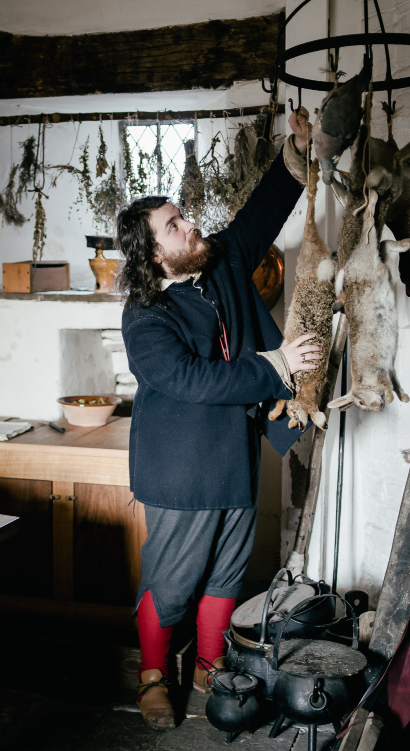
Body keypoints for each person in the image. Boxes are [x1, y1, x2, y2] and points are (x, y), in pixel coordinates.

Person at [115, 108, 321, 729]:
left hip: (234, 454)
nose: (191, 224)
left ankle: (208, 666)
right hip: (180, 470)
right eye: (175, 225)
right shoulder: (144, 316)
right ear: (153, 254)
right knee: (172, 578)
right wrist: (276, 366)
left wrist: (297, 152)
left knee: (228, 571)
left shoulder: (222, 259)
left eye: (184, 216)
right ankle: (153, 675)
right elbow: (187, 379)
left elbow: (261, 212)